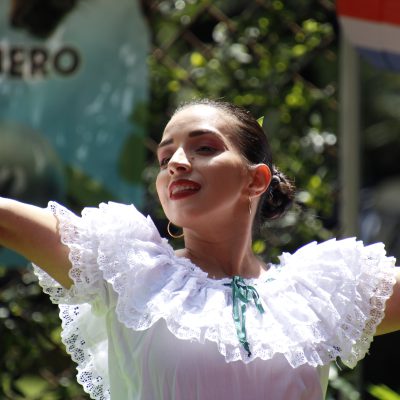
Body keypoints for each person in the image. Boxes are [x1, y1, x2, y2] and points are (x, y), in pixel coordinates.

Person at [0, 99, 399, 400]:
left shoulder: (319, 292)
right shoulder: (128, 269)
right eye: (164, 157)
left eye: (204, 148)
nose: (175, 162)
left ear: (256, 180)